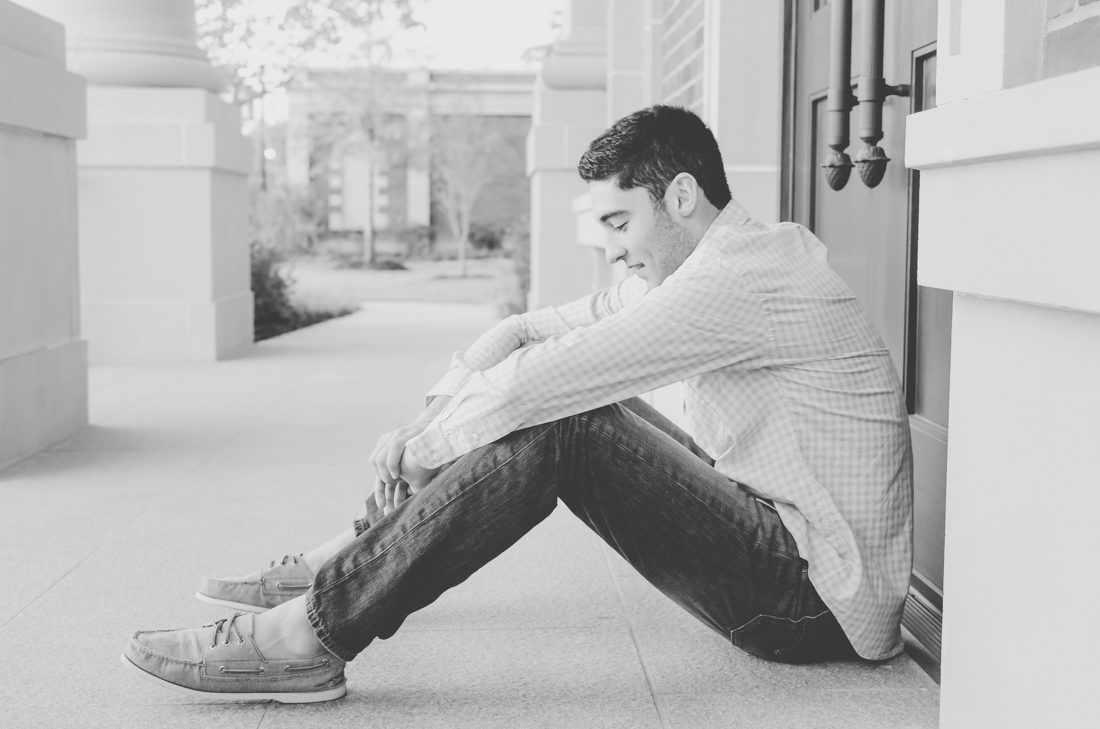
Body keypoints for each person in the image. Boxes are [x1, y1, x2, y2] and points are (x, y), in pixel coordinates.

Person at [122, 105, 913, 703]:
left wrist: (424, 448)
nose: (612, 249)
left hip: (811, 600)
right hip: (780, 539)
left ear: (680, 196)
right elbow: (527, 331)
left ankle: (307, 631)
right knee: (542, 399)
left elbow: (541, 383)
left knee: (564, 419)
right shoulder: (706, 265)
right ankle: (346, 560)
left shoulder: (735, 279)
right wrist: (435, 410)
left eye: (620, 222)